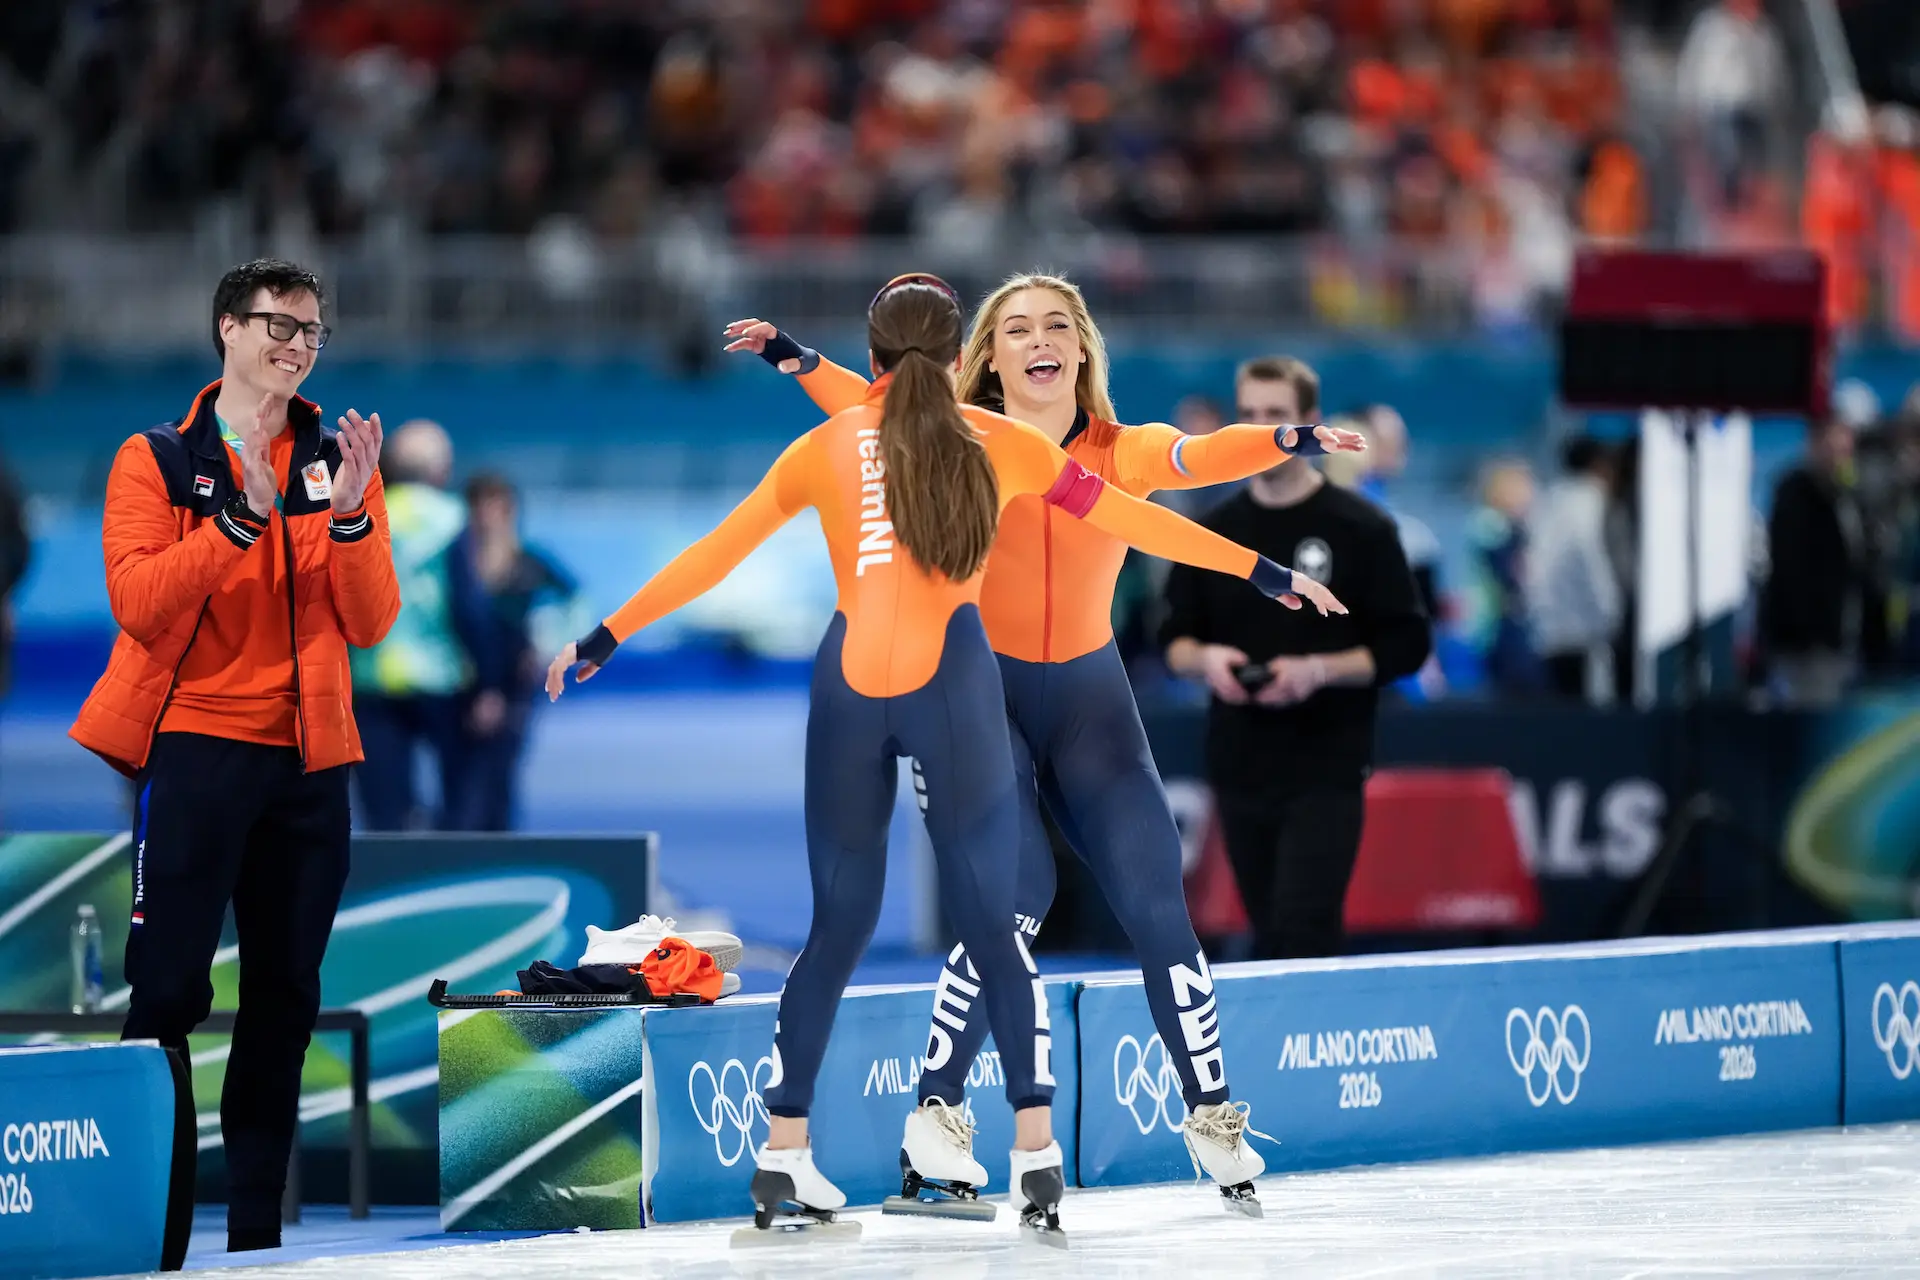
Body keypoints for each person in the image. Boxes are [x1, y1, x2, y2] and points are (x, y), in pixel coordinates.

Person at [552, 276, 1338, 1238]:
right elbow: (872, 405)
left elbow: (1199, 458)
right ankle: (941, 1115)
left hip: (1084, 697)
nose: (1041, 341)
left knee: (1153, 898)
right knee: (1009, 901)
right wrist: (796, 361)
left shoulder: (1114, 449)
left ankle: (1211, 1115)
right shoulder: (965, 431)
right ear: (985, 357)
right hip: (981, 692)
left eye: (1059, 326)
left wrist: (1286, 450)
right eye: (1018, 329)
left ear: (1084, 349)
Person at [68, 258, 398, 1252]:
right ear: (226, 328)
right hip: (197, 751)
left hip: (309, 766)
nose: (297, 347)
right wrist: (238, 520)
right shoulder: (160, 458)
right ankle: (147, 1232)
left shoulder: (333, 455)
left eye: (311, 333)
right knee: (165, 989)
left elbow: (373, 619)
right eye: (278, 326)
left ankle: (256, 1238)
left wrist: (349, 512)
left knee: (285, 998)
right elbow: (140, 600)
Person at [1161, 355, 1430, 962]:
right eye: (1250, 417)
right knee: (1267, 930)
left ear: (1309, 423)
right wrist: (1209, 661)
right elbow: (1171, 640)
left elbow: (1407, 644)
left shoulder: (1361, 528)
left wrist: (1320, 671)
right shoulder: (1213, 530)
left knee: (1303, 929)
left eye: (1276, 416)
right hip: (1239, 762)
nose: (1262, 432)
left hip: (1325, 765)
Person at [349, 420, 499, 830]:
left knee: (385, 813)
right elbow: (468, 606)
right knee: (460, 800)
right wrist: (487, 681)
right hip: (440, 677)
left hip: (371, 678)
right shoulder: (451, 519)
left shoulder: (363, 512)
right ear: (441, 471)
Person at [457, 473, 587, 830]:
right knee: (463, 774)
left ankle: (499, 845)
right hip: (464, 678)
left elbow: (574, 600)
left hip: (515, 680)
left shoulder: (529, 562)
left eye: (496, 506)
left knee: (502, 768)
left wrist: (550, 645)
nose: (487, 515)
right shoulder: (458, 562)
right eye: (479, 506)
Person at [1760, 413, 1874, 705]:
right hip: (1805, 648)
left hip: (1845, 642)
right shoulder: (1793, 495)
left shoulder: (1850, 497)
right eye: (1834, 445)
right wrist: (1812, 634)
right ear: (1815, 444)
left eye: (1846, 447)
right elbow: (1791, 573)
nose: (1841, 455)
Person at [1529, 436, 1623, 703]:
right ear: (1599, 465)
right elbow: (1592, 557)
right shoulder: (1590, 502)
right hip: (1586, 632)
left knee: (1564, 715)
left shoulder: (1549, 502)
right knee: (1590, 717)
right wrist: (1610, 611)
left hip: (1551, 630)